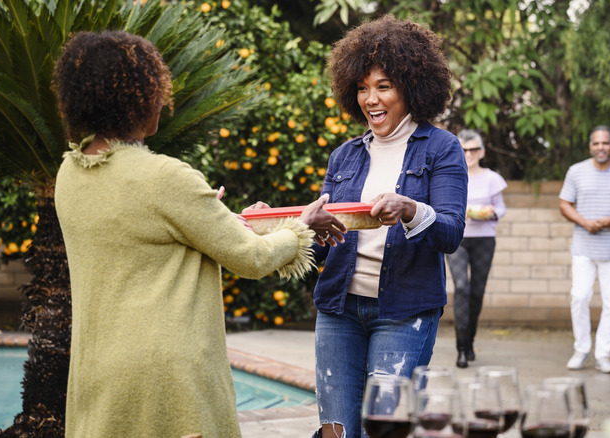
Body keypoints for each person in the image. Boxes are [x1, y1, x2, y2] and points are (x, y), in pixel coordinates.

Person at [52, 30, 344, 437]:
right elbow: (252, 258)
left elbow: (143, 237)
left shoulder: (69, 174)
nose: (163, 103)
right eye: (157, 90)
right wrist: (301, 226)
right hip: (166, 378)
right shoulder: (164, 177)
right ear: (136, 97)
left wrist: (217, 220)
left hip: (97, 372)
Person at [311, 15, 468, 438]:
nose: (370, 99)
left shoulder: (442, 148)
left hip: (404, 311)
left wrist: (410, 209)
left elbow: (452, 232)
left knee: (382, 429)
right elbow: (321, 250)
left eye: (383, 86)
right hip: (339, 310)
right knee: (336, 431)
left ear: (410, 87)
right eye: (362, 87)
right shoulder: (345, 156)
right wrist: (291, 227)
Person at [559, 126, 610, 374]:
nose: (600, 147)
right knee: (579, 297)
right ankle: (581, 350)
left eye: (605, 143)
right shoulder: (576, 171)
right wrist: (584, 222)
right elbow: (564, 203)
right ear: (590, 146)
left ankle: (603, 354)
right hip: (583, 247)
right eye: (596, 143)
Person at [446, 129, 507, 369]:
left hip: (484, 239)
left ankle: (470, 341)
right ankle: (461, 348)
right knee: (462, 287)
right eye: (463, 150)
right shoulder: (450, 174)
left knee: (477, 292)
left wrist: (491, 213)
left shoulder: (492, 178)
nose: (468, 154)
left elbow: (500, 208)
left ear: (481, 152)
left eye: (472, 149)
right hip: (456, 240)